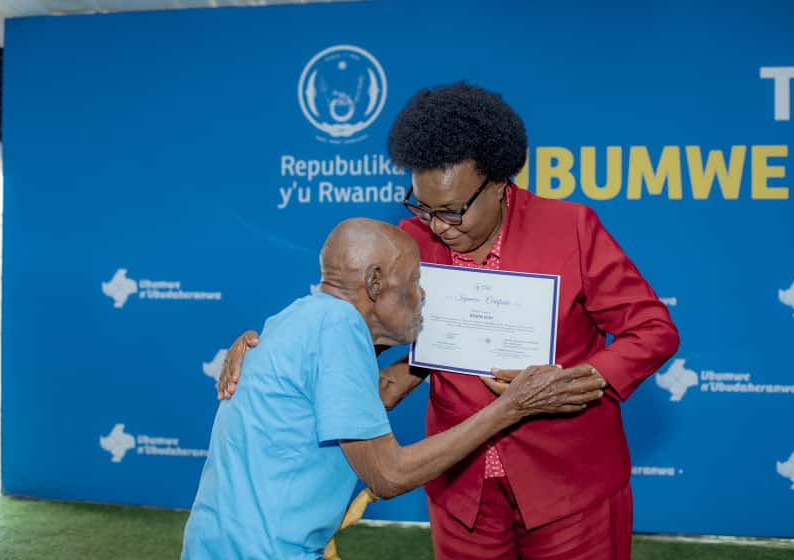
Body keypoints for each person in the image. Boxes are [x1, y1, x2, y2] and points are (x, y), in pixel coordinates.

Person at [219, 83, 679, 559]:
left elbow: (652, 329)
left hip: (568, 484)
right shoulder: (409, 241)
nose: (437, 226)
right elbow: (349, 326)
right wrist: (271, 344)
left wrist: (586, 377)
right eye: (424, 208)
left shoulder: (571, 229)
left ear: (499, 183)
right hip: (461, 488)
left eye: (453, 211)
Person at [183, 218, 606, 559]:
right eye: (414, 279)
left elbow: (374, 395)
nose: (422, 294)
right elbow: (389, 474)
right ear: (375, 282)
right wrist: (512, 406)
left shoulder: (299, 317)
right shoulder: (339, 326)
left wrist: (453, 348)